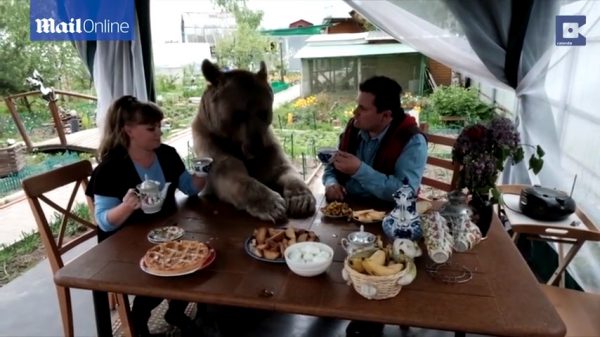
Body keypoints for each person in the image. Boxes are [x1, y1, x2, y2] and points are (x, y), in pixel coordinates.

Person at [86, 95, 206, 337]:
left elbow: (190, 188)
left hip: (166, 233)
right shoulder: (110, 169)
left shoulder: (167, 154)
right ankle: (138, 321)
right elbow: (104, 222)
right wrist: (127, 206)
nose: (158, 132)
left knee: (197, 260)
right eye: (151, 128)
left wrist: (203, 172)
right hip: (124, 245)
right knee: (164, 272)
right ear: (128, 130)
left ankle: (175, 311)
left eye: (160, 126)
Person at [322, 76, 428, 337]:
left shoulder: (411, 141)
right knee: (323, 260)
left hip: (389, 222)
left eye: (363, 108)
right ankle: (328, 307)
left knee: (373, 271)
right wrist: (331, 182)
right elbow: (330, 166)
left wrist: (359, 170)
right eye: (357, 106)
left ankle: (368, 318)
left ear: (386, 115)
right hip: (346, 214)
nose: (355, 112)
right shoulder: (354, 128)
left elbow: (405, 192)